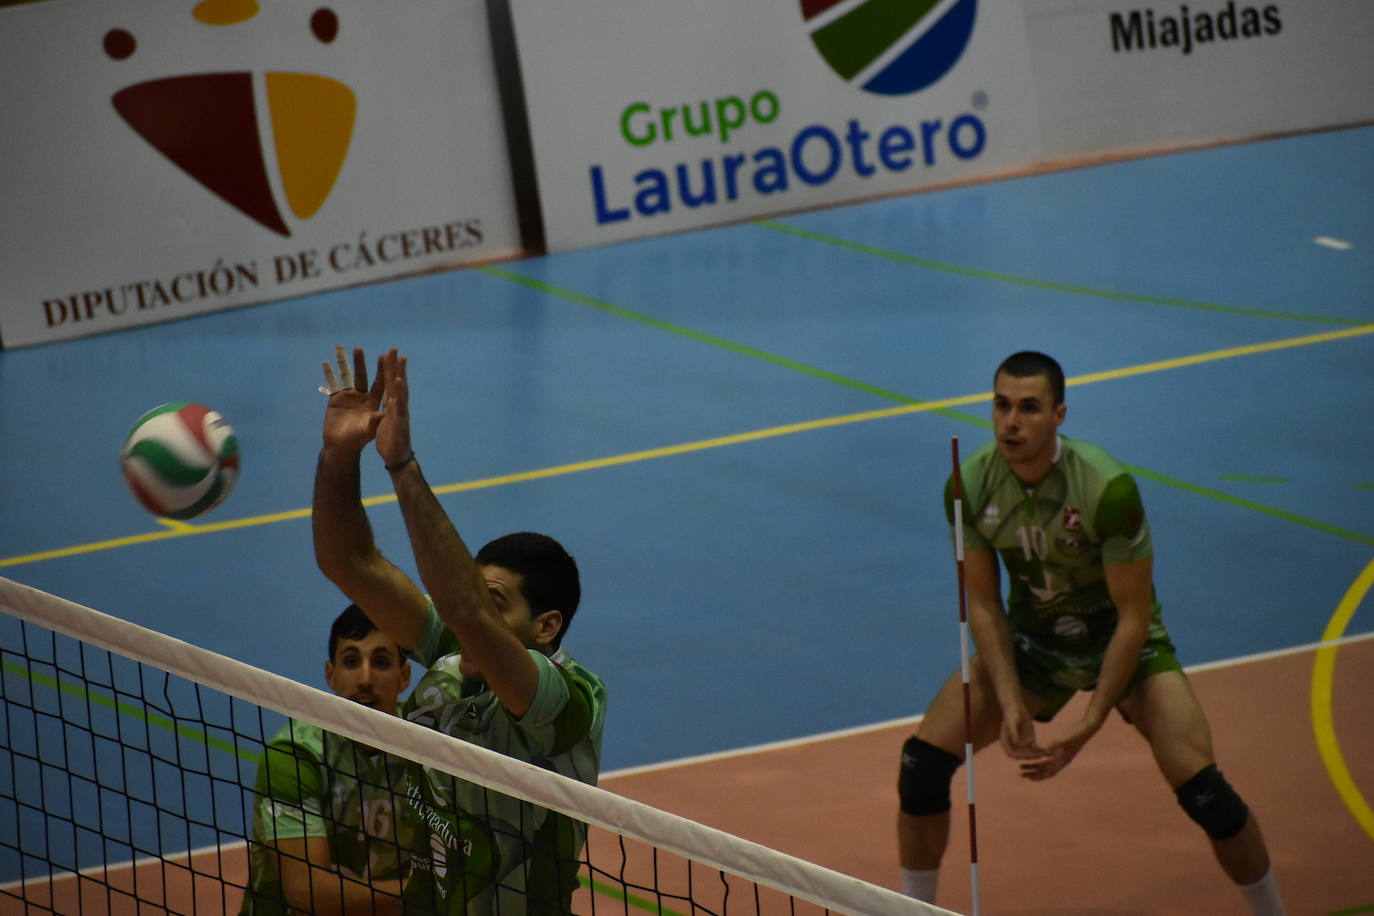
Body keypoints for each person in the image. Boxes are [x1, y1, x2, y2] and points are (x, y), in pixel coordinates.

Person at [896, 351, 1285, 914]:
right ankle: (914, 910)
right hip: (1034, 646)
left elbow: (1133, 616)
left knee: (1207, 795)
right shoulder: (969, 486)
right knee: (921, 766)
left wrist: (1092, 720)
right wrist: (1008, 699)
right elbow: (981, 601)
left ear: (1059, 415)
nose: (1010, 421)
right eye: (1001, 405)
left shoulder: (1108, 489)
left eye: (1029, 408)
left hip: (1124, 645)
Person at [312, 345, 608, 915]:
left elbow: (466, 613)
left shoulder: (565, 701)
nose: (463, 607)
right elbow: (348, 563)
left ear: (547, 626)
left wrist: (401, 466)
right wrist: (339, 455)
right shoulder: (452, 652)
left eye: (493, 599)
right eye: (468, 590)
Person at [241, 604, 414, 915]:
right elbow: (307, 891)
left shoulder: (428, 748)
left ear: (404, 677)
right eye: (351, 661)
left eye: (381, 662)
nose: (365, 678)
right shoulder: (295, 755)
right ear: (330, 675)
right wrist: (424, 893)